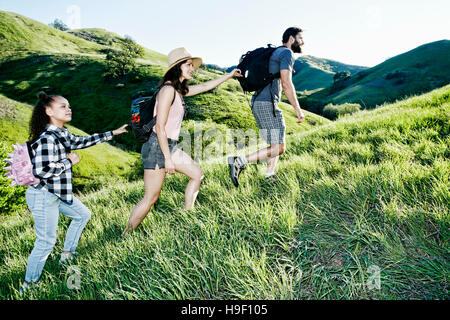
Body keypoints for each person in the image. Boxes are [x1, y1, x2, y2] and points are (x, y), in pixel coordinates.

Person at [122, 48, 242, 236]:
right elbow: (160, 127)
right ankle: (126, 234)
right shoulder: (168, 90)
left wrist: (229, 76)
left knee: (197, 174)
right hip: (156, 147)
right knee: (151, 198)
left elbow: (204, 87)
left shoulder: (177, 91)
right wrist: (168, 159)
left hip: (167, 145)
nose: (192, 68)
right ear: (177, 67)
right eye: (188, 64)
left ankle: (188, 215)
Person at [21, 91, 128, 293]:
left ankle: (67, 255)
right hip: (43, 195)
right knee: (46, 241)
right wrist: (68, 162)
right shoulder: (47, 139)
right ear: (48, 111)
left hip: (57, 193)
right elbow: (42, 171)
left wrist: (112, 133)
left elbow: (81, 142)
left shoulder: (61, 133)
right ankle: (29, 286)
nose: (68, 109)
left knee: (82, 215)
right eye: (63, 106)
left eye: (68, 105)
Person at [228, 27, 306, 186]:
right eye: (300, 38)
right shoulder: (286, 53)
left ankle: (270, 176)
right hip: (266, 103)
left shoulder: (275, 52)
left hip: (260, 102)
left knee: (276, 143)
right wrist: (297, 110)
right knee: (280, 147)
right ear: (291, 39)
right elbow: (286, 83)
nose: (303, 42)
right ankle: (239, 161)